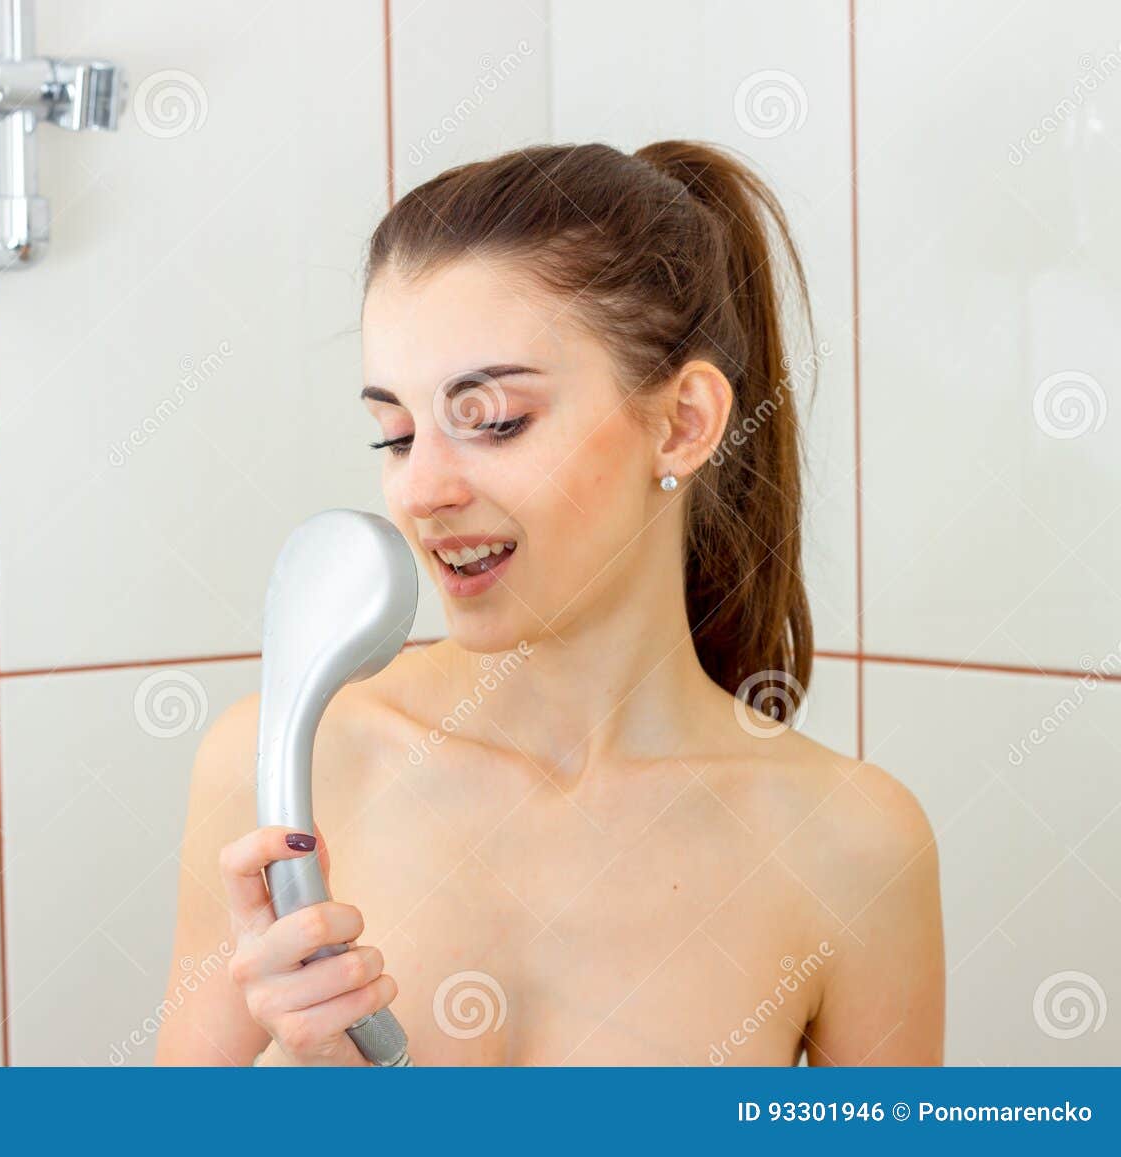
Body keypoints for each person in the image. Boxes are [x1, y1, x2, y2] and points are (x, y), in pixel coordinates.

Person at [156, 141, 944, 1066]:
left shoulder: (851, 846)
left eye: (493, 421)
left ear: (685, 422)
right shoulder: (283, 775)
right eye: (397, 435)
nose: (421, 491)